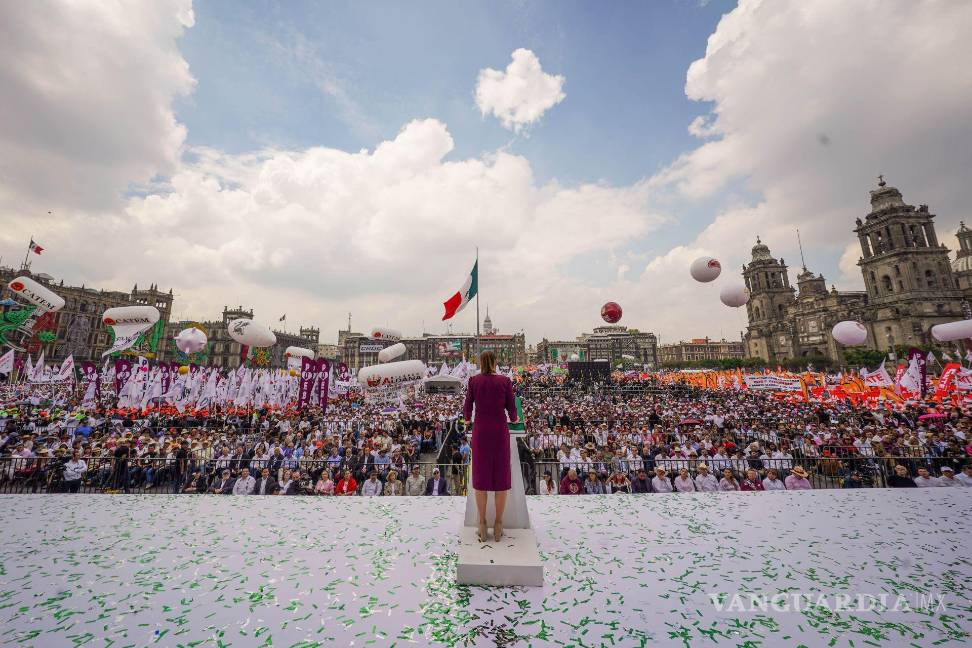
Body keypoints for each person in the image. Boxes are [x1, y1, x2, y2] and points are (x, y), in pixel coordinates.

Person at [462, 351, 518, 541]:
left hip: (481, 432)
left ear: (481, 363)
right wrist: (515, 418)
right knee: (501, 477)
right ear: (494, 363)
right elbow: (512, 408)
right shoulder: (504, 381)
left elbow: (467, 406)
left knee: (481, 477)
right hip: (499, 432)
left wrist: (467, 419)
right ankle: (499, 524)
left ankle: (482, 523)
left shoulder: (474, 381)